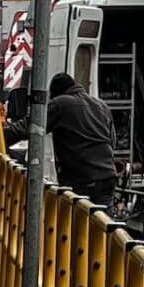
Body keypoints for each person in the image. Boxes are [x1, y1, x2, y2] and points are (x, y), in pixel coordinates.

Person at [45, 72, 117, 207]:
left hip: (81, 179)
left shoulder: (60, 103)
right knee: (102, 223)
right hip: (107, 177)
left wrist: (0, 135)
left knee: (73, 222)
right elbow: (113, 142)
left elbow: (31, 127)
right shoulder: (101, 105)